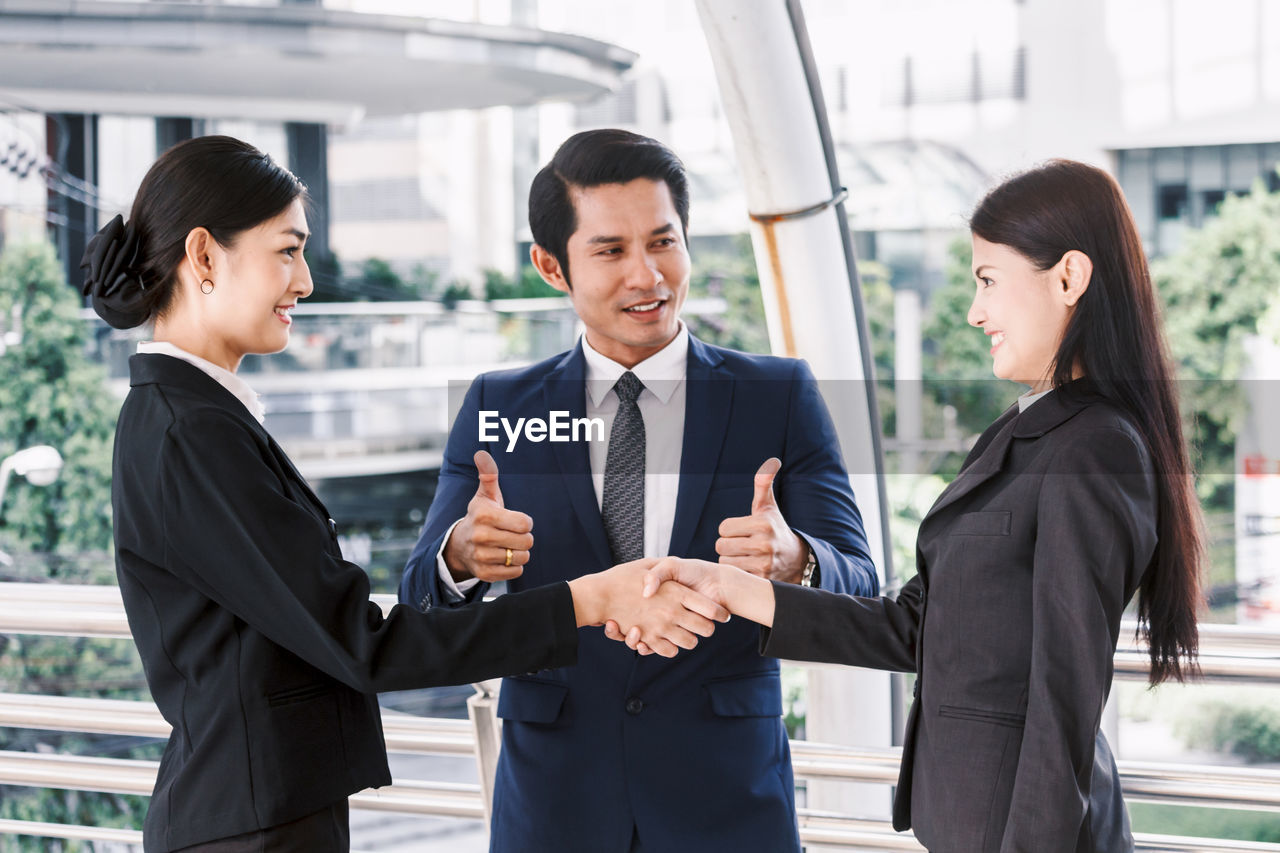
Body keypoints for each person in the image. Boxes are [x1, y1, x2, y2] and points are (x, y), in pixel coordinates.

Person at [85, 135, 727, 853]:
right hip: (247, 828)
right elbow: (363, 644)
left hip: (260, 813)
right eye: (287, 251)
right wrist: (590, 599)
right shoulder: (193, 432)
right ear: (204, 256)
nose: (305, 283)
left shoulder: (194, 416)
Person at [635, 159, 1204, 852]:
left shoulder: (1093, 450)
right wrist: (735, 587)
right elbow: (914, 627)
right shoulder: (1022, 434)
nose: (975, 311)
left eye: (988, 280)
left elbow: (1064, 700)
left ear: (1068, 278)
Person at [398, 128, 879, 853]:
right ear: (550, 266)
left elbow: (865, 587)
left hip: (726, 804)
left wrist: (796, 558)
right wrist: (460, 556)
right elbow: (417, 599)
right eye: (610, 250)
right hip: (555, 807)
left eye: (663, 242)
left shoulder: (776, 395)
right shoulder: (500, 406)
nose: (647, 275)